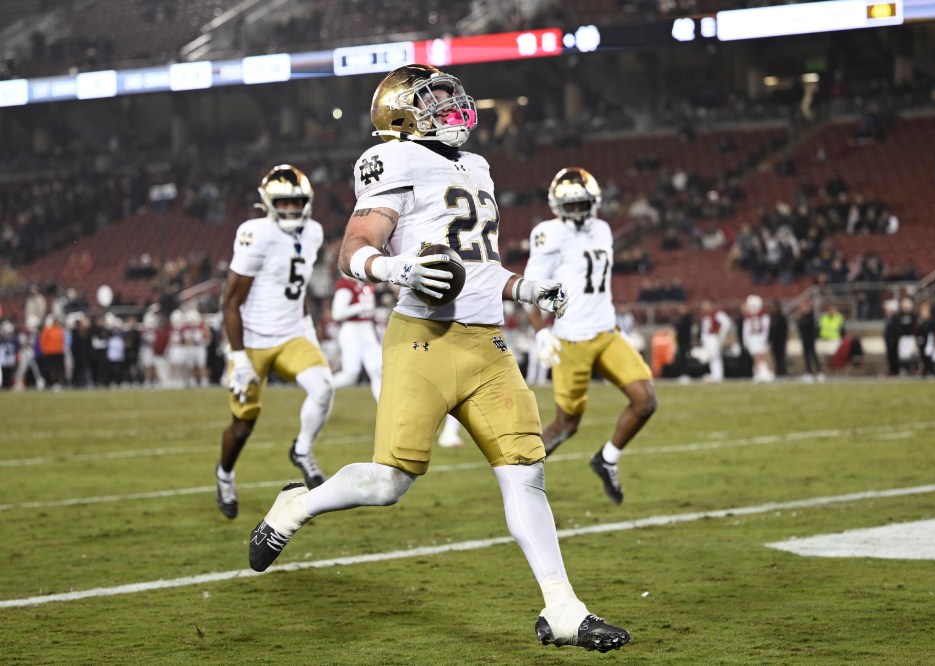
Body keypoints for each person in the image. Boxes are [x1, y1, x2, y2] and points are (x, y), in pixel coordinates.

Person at [247, 65, 630, 653]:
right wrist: (396, 268)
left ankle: (563, 609)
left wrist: (525, 289)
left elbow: (478, 263)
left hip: (489, 345)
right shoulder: (393, 160)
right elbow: (354, 248)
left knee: (527, 475)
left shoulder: (476, 166)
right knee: (387, 483)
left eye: (453, 96)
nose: (453, 107)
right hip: (423, 339)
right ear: (400, 114)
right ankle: (296, 506)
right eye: (437, 99)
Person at [523, 167, 657, 505]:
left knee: (645, 400)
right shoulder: (548, 234)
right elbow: (529, 289)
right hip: (570, 339)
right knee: (566, 425)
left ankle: (606, 459)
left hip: (607, 331)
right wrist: (541, 332)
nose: (579, 212)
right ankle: (521, 478)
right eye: (572, 205)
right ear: (557, 206)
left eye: (584, 204)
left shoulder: (602, 228)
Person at [215, 165, 335, 519]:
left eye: (296, 203)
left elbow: (296, 288)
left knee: (323, 388)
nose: (290, 210)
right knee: (243, 426)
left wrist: (307, 326)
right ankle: (224, 475)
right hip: (252, 339)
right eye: (282, 203)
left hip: (293, 334)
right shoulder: (255, 233)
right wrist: (238, 359)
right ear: (268, 203)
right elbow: (230, 302)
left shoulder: (313, 232)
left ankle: (302, 450)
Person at [331, 272, 465, 446]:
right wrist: (362, 307)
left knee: (378, 371)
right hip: (356, 331)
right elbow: (337, 313)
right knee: (351, 374)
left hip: (372, 332)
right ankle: (326, 388)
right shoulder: (347, 285)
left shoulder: (367, 285)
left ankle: (389, 412)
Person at [741, 295, 773, 382]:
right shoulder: (748, 317)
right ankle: (759, 373)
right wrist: (746, 340)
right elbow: (746, 329)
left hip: (760, 337)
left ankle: (769, 373)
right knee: (755, 356)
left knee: (764, 355)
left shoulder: (764, 315)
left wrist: (764, 338)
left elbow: (766, 328)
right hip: (753, 338)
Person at [699, 299, 732, 382]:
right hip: (708, 338)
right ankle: (715, 374)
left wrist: (721, 335)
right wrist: (703, 339)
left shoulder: (718, 314)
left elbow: (727, 323)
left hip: (714, 337)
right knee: (711, 357)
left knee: (715, 356)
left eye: (706, 304)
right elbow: (705, 329)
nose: (704, 306)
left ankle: (718, 375)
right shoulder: (706, 315)